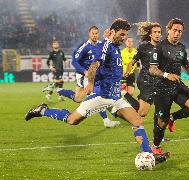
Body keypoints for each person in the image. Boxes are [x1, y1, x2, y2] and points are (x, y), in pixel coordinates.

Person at [25, 18, 169, 164]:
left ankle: (149, 155)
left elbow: (109, 52)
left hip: (116, 97)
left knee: (138, 120)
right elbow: (95, 64)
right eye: (121, 34)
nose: (123, 38)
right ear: (113, 32)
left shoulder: (113, 44)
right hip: (101, 95)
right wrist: (91, 84)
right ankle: (43, 110)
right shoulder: (106, 46)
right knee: (72, 120)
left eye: (125, 35)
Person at [149, 18, 189, 154]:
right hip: (162, 88)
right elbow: (152, 69)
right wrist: (166, 75)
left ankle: (172, 117)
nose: (177, 33)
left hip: (177, 85)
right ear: (169, 30)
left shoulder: (181, 47)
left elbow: (186, 66)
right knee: (161, 123)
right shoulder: (159, 47)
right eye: (174, 30)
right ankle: (156, 147)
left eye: (180, 31)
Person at [54, 26, 120, 128]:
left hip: (95, 75)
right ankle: (106, 120)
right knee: (83, 97)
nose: (95, 35)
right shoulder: (85, 46)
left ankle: (59, 90)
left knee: (89, 96)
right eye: (93, 33)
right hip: (83, 74)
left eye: (96, 33)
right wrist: (84, 71)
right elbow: (74, 61)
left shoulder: (100, 45)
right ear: (89, 34)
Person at [123, 22, 162, 118]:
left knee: (142, 112)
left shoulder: (163, 48)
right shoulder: (143, 47)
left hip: (156, 82)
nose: (157, 34)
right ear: (150, 34)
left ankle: (124, 94)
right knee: (142, 113)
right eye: (155, 32)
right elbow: (132, 62)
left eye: (159, 32)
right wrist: (128, 71)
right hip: (145, 80)